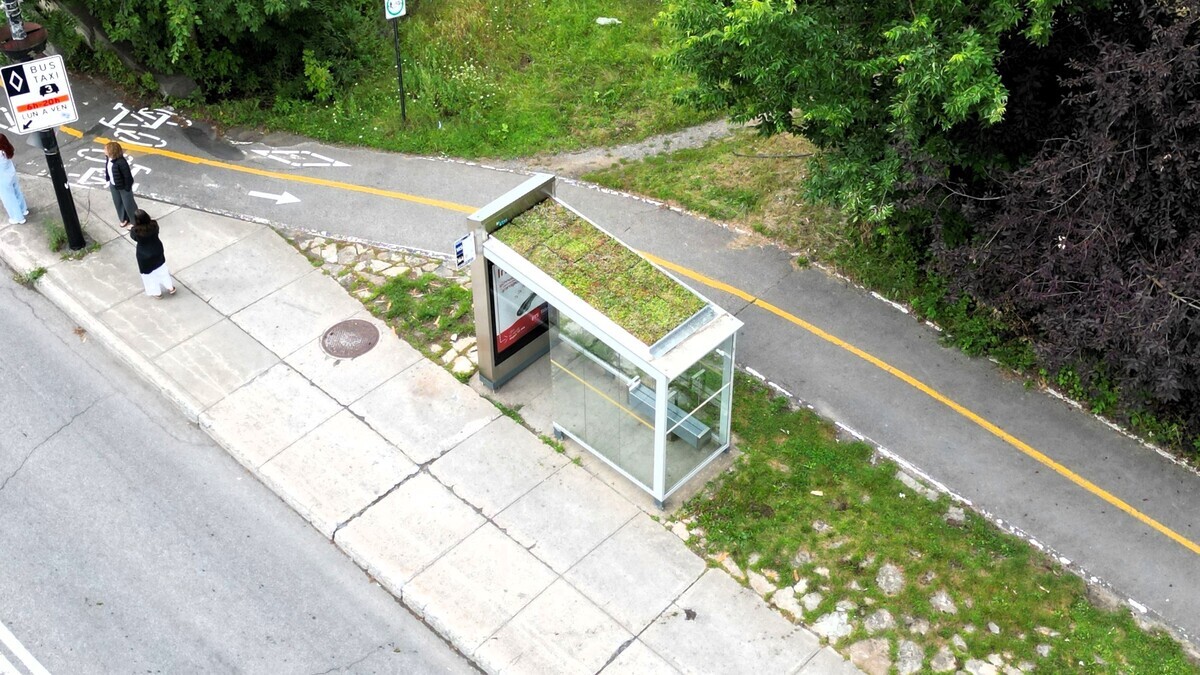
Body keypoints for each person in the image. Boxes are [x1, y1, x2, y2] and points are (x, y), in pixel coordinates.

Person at [129, 209, 175, 298]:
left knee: (149, 275)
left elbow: (134, 238)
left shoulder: (135, 231)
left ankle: (157, 293)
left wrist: (132, 227)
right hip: (157, 249)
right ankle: (170, 287)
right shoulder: (154, 225)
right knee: (162, 269)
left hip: (144, 255)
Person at [104, 141, 138, 228]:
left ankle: (134, 222)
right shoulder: (108, 159)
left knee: (129, 204)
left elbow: (127, 176)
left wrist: (127, 188)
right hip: (114, 184)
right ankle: (124, 218)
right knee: (118, 202)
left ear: (111, 151)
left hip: (123, 186)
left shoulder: (121, 162)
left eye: (106, 149)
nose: (104, 150)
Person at [0, 133, 28, 225]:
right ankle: (23, 209)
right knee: (17, 192)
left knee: (9, 199)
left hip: (3, 180)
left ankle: (18, 217)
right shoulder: (6, 150)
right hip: (11, 174)